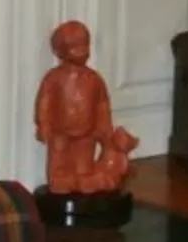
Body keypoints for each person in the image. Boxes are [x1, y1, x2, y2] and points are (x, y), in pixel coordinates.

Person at [33, 20, 138, 196]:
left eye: (85, 45)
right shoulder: (54, 78)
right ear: (59, 51)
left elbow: (102, 105)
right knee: (59, 163)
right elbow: (44, 102)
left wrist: (104, 128)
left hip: (87, 134)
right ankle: (60, 182)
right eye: (75, 46)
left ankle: (83, 182)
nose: (82, 51)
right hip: (60, 133)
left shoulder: (94, 79)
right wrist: (43, 124)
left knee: (84, 167)